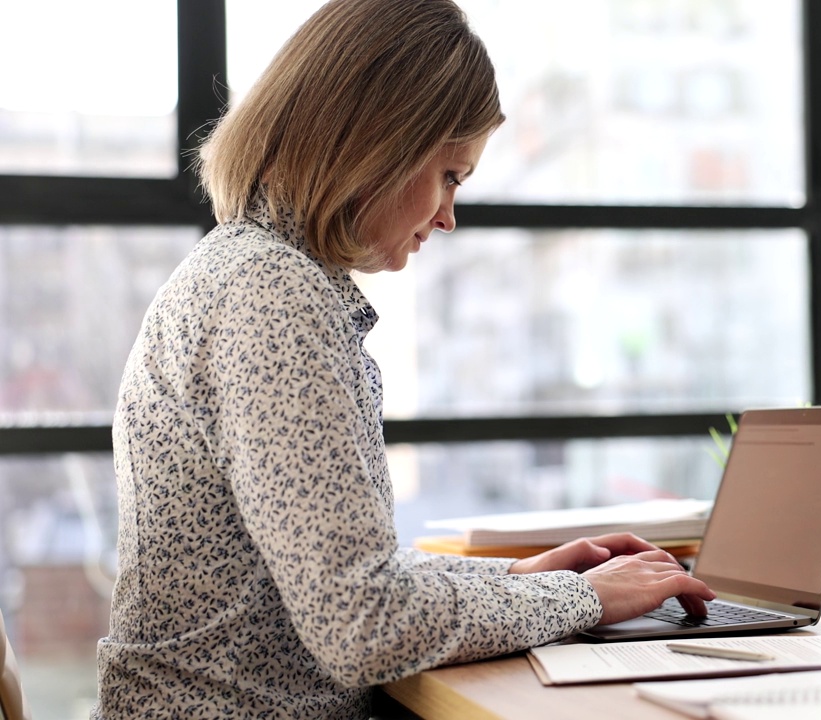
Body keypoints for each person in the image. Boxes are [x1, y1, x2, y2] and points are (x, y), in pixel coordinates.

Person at [92, 1, 714, 717]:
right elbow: (363, 623)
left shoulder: (260, 277)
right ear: (378, 143)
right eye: (451, 174)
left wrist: (515, 582)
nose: (449, 215)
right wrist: (582, 596)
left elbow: (339, 578)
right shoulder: (271, 297)